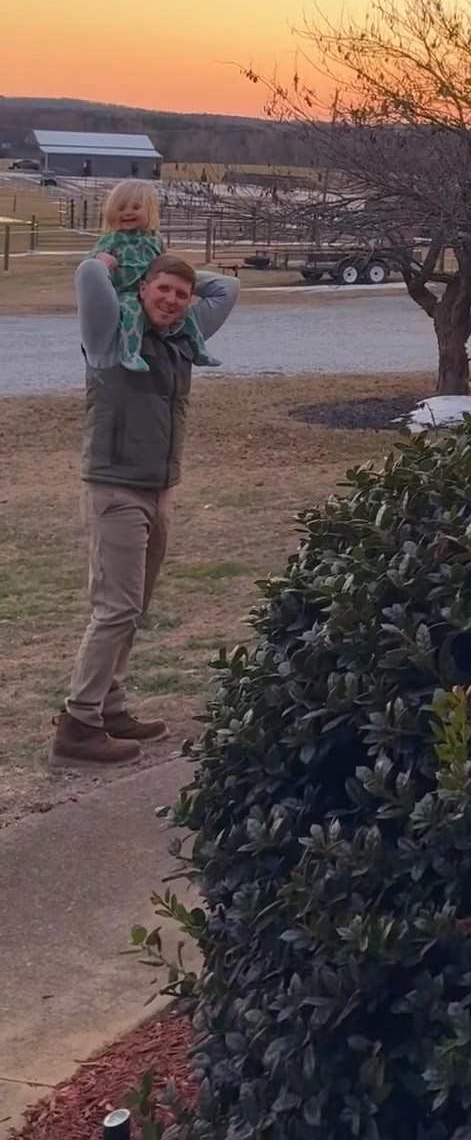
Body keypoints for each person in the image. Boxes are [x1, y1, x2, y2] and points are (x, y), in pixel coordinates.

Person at [50, 250, 239, 768]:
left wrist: (175, 270)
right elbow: (88, 275)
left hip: (159, 489)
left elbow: (227, 289)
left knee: (132, 608)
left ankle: (110, 707)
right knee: (115, 609)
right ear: (141, 288)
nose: (173, 300)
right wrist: (127, 265)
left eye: (181, 294)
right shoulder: (109, 335)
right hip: (114, 489)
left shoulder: (183, 336)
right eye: (162, 289)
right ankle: (77, 726)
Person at [89, 180, 217, 373]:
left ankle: (198, 349)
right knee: (133, 312)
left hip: (152, 290)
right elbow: (90, 262)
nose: (128, 212)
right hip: (127, 293)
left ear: (148, 210)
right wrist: (101, 258)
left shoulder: (155, 240)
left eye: (135, 207)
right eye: (121, 208)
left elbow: (166, 264)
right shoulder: (112, 239)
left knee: (186, 313)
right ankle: (130, 353)